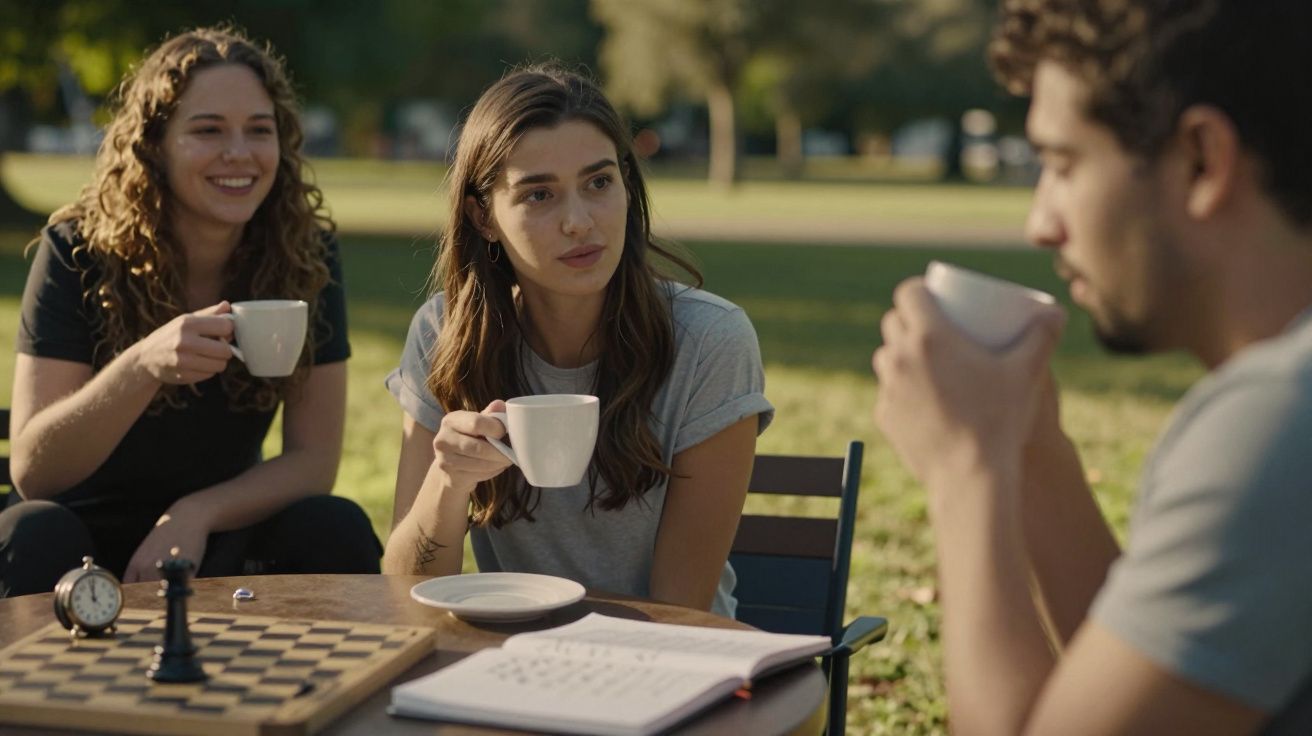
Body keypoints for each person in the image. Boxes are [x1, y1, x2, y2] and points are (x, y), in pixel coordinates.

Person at [872, 1, 1312, 733]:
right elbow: (1135, 677)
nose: (1040, 222)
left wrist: (965, 471)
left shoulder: (1279, 421)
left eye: (1063, 164)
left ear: (1202, 159)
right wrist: (1033, 447)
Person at [0, 26, 380, 598]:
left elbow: (313, 459)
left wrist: (196, 513)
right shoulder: (77, 252)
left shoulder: (306, 255)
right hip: (76, 539)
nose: (239, 153)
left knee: (334, 524)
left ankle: (339, 688)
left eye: (259, 130)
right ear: (153, 145)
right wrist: (141, 367)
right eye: (207, 130)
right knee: (29, 531)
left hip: (218, 531)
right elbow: (34, 471)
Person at [382, 65, 771, 617]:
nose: (579, 221)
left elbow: (681, 609)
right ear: (483, 216)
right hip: (504, 657)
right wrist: (447, 481)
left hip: (666, 666)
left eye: (599, 182)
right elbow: (405, 592)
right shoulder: (445, 335)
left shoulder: (708, 341)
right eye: (539, 195)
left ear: (627, 186)